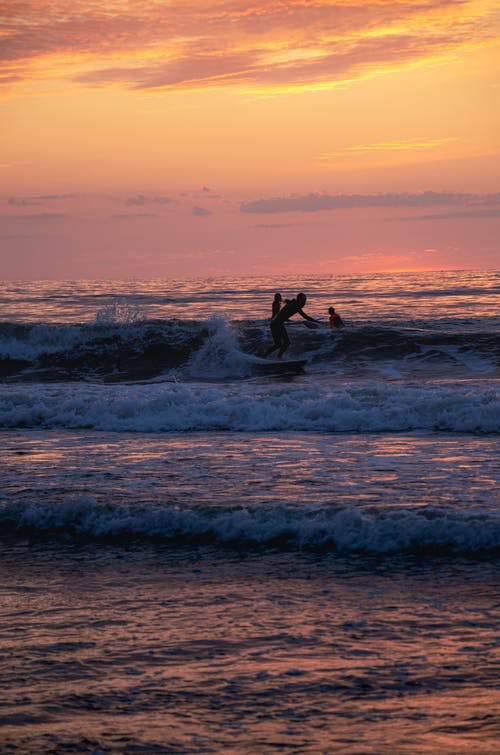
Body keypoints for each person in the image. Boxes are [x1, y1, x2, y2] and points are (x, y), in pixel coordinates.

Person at [265, 292, 320, 358]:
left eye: (305, 300)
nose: (304, 302)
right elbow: (306, 317)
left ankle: (278, 357)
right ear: (299, 300)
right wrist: (317, 322)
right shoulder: (296, 306)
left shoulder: (293, 303)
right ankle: (265, 356)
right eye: (303, 300)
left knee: (285, 343)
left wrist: (283, 301)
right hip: (276, 325)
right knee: (279, 344)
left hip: (278, 324)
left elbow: (286, 302)